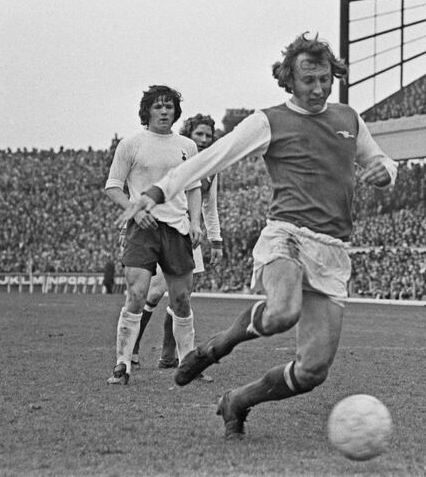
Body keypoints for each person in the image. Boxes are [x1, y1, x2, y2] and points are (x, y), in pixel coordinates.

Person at [115, 33, 397, 439]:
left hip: (333, 250)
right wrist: (157, 192)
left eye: (324, 79)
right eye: (308, 80)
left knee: (313, 370)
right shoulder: (270, 120)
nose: (318, 88)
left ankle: (238, 401)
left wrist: (384, 173)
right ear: (289, 80)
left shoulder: (348, 119)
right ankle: (217, 347)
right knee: (283, 311)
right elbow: (213, 157)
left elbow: (381, 161)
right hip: (286, 235)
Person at [104, 85, 204, 385]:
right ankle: (122, 365)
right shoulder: (131, 144)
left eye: (169, 107)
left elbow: (194, 187)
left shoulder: (187, 145)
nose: (164, 112)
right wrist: (136, 209)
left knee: (182, 299)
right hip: (142, 229)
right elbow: (113, 186)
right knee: (136, 294)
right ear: (147, 110)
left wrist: (196, 222)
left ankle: (188, 364)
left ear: (176, 112)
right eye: (158, 106)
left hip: (177, 229)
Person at [131, 114, 223, 377]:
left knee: (181, 297)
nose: (204, 140)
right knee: (154, 294)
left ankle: (169, 357)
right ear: (188, 135)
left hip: (189, 233)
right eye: (199, 135)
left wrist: (216, 240)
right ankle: (133, 349)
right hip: (164, 231)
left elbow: (210, 205)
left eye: (208, 136)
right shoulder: (173, 158)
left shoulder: (211, 167)